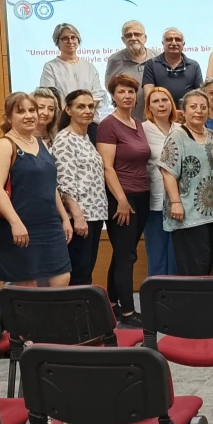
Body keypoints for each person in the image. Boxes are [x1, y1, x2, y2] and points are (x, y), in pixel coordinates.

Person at [0, 92, 72, 287]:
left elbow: (50, 185)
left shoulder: (40, 142)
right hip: (19, 224)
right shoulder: (4, 145)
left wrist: (64, 218)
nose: (29, 115)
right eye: (21, 111)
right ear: (9, 117)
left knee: (62, 278)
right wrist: (15, 223)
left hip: (50, 225)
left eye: (32, 110)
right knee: (28, 286)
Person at [97, 75, 152, 324]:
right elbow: (107, 167)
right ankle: (128, 312)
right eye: (121, 92)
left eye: (131, 91)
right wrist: (121, 200)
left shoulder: (136, 123)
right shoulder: (108, 125)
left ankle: (112, 303)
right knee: (126, 255)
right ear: (113, 96)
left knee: (123, 252)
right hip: (122, 197)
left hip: (142, 195)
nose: (127, 96)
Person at [160, 90, 213, 275]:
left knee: (207, 263)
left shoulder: (212, 135)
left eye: (203, 107)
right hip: (187, 213)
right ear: (184, 110)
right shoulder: (177, 136)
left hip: (212, 213)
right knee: (194, 267)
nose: (199, 111)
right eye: (193, 107)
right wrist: (176, 202)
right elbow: (167, 172)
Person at [52, 90, 107, 286]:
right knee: (79, 273)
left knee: (86, 270)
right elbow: (64, 184)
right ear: (68, 110)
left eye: (91, 106)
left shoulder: (85, 138)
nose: (87, 110)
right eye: (81, 106)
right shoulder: (65, 139)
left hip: (95, 214)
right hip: (80, 216)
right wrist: (78, 217)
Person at [142, 86, 178, 277]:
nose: (161, 105)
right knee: (157, 254)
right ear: (149, 107)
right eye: (155, 101)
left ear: (171, 103)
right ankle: (157, 292)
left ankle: (175, 292)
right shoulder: (142, 129)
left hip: (179, 202)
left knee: (176, 255)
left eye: (165, 100)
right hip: (154, 201)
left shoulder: (181, 129)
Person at [39, 23, 109, 113]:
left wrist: (84, 112)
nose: (70, 41)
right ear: (57, 42)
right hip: (62, 118)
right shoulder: (50, 67)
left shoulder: (89, 67)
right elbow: (49, 96)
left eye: (73, 37)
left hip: (88, 117)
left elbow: (97, 94)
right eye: (65, 38)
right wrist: (70, 115)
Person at [104, 20, 158, 120]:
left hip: (155, 118)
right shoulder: (114, 60)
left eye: (137, 34)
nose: (133, 38)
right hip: (128, 119)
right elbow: (110, 87)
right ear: (123, 39)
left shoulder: (158, 58)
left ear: (145, 38)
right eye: (128, 35)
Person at [142, 27, 202, 105]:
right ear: (163, 43)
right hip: (161, 111)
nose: (174, 43)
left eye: (178, 40)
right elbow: (148, 97)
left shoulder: (194, 66)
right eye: (169, 39)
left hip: (186, 112)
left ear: (183, 44)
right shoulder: (151, 64)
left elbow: (200, 96)